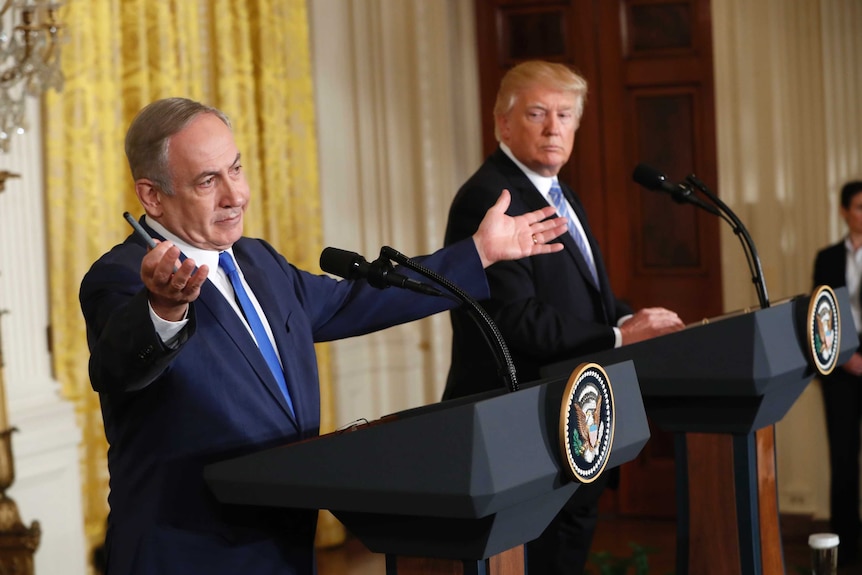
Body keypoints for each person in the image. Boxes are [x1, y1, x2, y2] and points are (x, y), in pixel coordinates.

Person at [79, 97, 569, 575]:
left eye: (236, 169)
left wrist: (476, 254)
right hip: (187, 551)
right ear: (151, 196)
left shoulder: (258, 261)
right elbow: (118, 367)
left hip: (284, 540)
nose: (236, 195)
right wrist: (164, 307)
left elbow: (354, 301)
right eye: (209, 181)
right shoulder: (121, 278)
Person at [442, 61, 684, 574]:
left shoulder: (558, 191)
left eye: (566, 115)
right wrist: (619, 334)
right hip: (522, 421)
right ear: (502, 124)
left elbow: (581, 298)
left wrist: (635, 319)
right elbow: (514, 318)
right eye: (537, 113)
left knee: (567, 552)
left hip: (570, 412)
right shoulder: (491, 198)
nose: (555, 128)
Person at [812, 179, 862, 570]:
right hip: (840, 370)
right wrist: (844, 356)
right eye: (859, 206)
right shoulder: (826, 257)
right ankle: (844, 549)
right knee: (842, 459)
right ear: (845, 211)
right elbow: (820, 316)